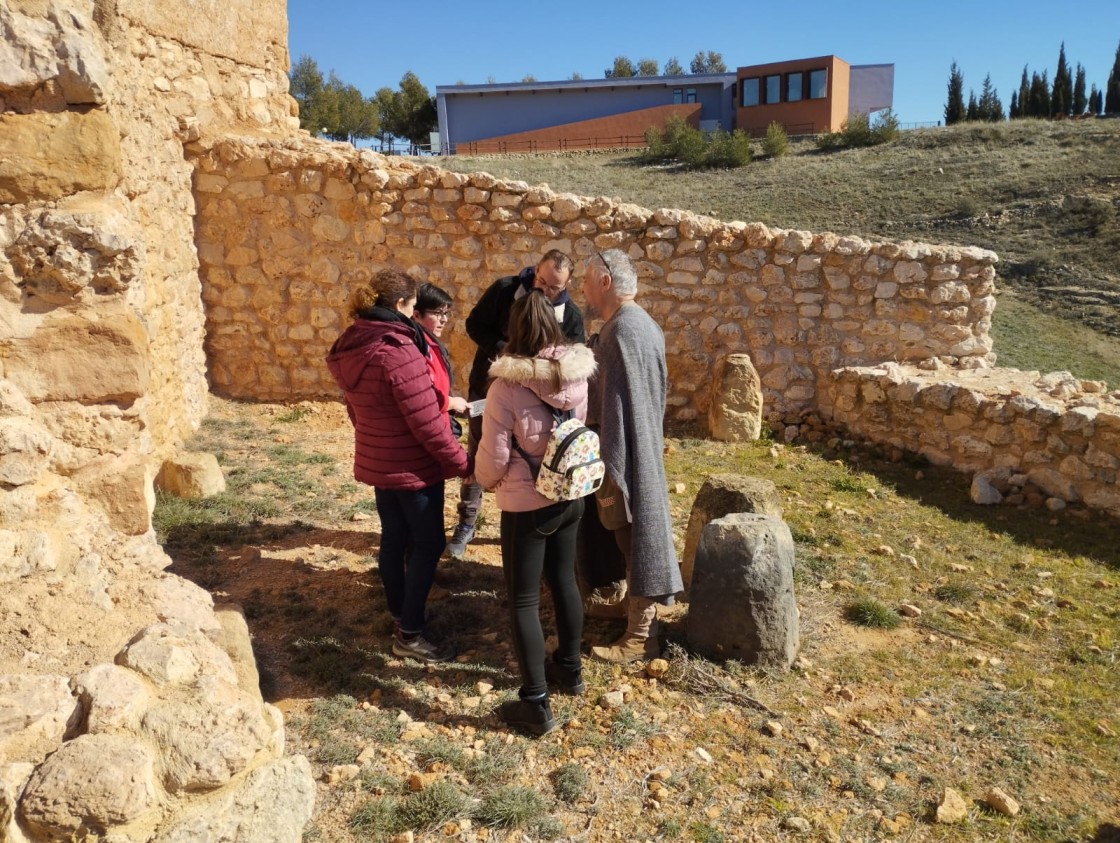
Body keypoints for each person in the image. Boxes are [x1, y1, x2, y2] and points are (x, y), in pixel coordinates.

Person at [326, 268, 471, 663]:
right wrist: (463, 464)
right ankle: (409, 633)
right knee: (427, 543)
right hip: (413, 467)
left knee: (394, 539)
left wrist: (375, 442)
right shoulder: (398, 350)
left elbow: (359, 409)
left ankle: (400, 613)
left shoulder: (352, 343)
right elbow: (428, 423)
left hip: (381, 461)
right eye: (412, 306)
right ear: (402, 305)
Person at [474, 291, 596, 736]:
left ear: (515, 331)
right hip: (570, 494)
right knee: (565, 582)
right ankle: (570, 668)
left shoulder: (505, 388)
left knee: (524, 599)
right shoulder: (577, 377)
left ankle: (535, 703)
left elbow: (495, 456)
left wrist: (482, 481)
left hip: (528, 503)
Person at [580, 249, 683, 663]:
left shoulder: (624, 329)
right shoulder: (636, 324)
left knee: (632, 533)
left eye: (586, 280)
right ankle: (633, 614)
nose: (582, 289)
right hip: (633, 442)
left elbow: (621, 403)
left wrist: (613, 458)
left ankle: (643, 635)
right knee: (626, 532)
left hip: (626, 445)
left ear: (605, 281)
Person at [449, 249, 586, 560]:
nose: (546, 291)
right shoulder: (504, 290)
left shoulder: (572, 316)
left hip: (538, 407)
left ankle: (538, 523)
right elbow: (474, 324)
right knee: (479, 452)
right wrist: (504, 352)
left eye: (555, 287)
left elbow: (571, 363)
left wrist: (533, 371)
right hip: (489, 390)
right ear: (534, 270)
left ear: (566, 285)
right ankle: (467, 522)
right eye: (542, 281)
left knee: (534, 460)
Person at [414, 282, 468, 433]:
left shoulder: (431, 344)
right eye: (438, 313)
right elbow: (422, 395)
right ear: (417, 315)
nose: (444, 320)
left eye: (446, 313)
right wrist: (451, 403)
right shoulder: (416, 347)